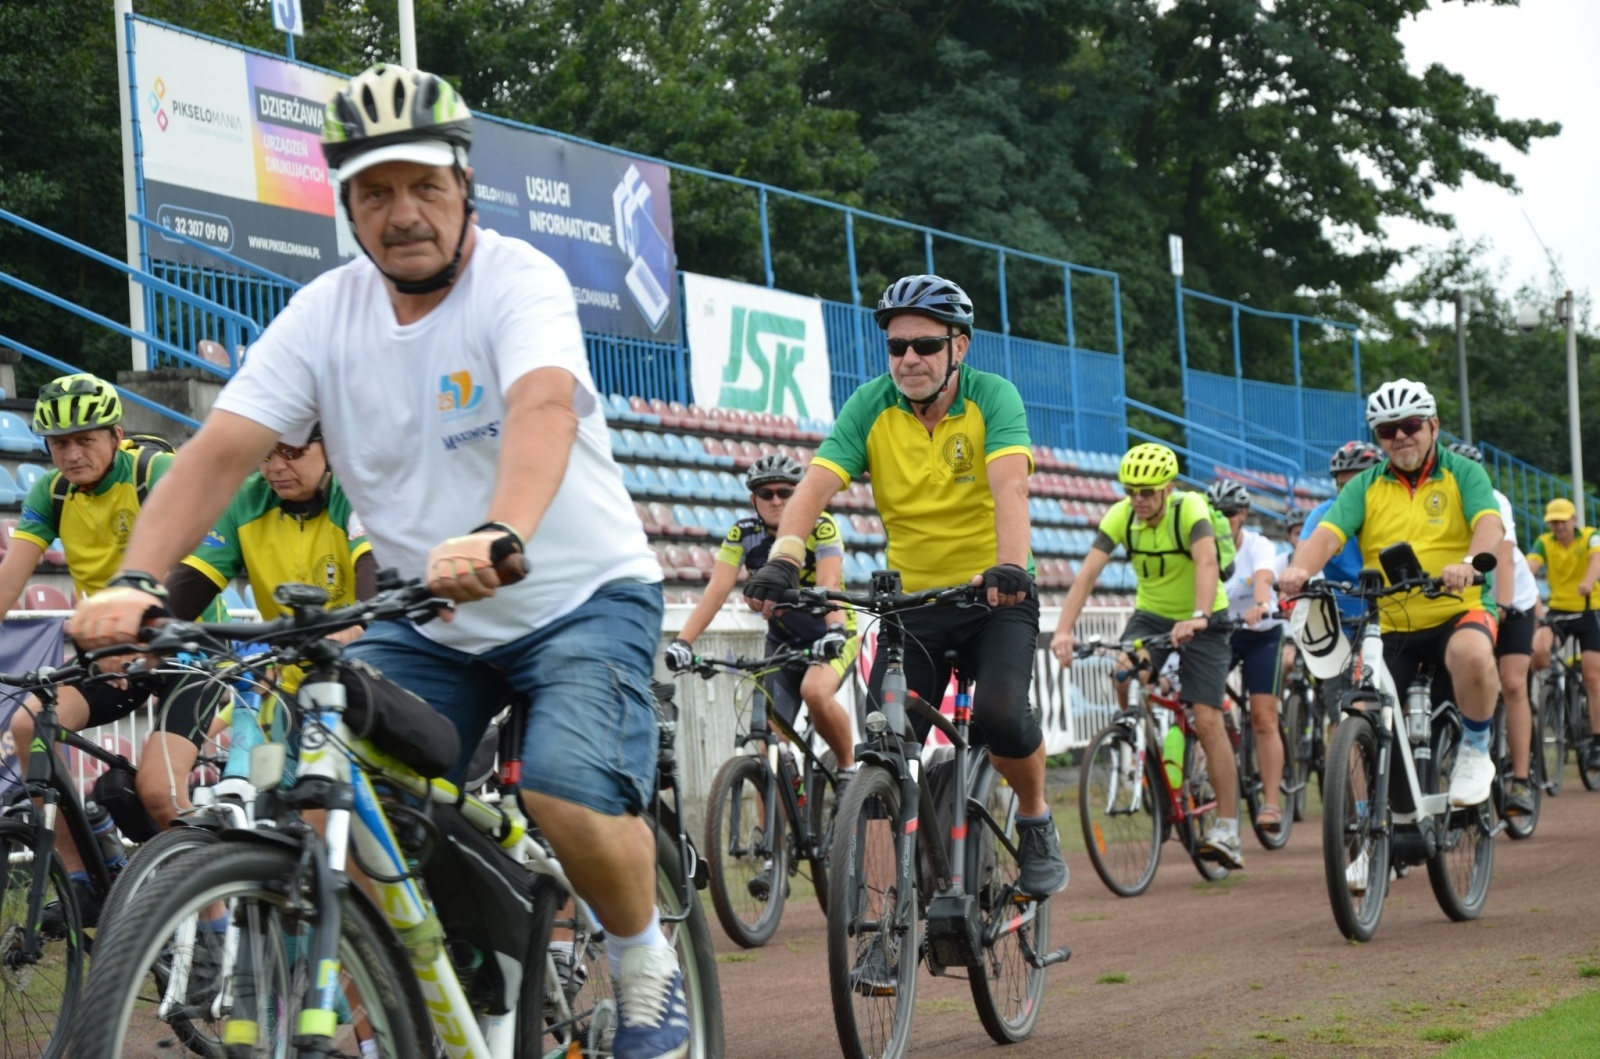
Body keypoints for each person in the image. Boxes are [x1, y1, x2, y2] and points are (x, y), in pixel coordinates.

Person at [66, 65, 687, 1059]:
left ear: (465, 186)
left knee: (565, 789)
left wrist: (501, 530)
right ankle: (472, 974)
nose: (403, 214)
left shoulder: (519, 281)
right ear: (348, 206)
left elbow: (541, 406)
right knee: (345, 794)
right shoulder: (323, 313)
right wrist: (137, 579)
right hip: (429, 616)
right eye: (375, 193)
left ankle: (644, 951)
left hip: (578, 597)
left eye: (424, 187)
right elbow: (218, 450)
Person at [742, 274, 1069, 911]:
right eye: (897, 348)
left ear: (960, 347)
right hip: (914, 609)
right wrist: (785, 558)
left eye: (924, 345)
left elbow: (1011, 489)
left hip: (994, 598)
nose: (909, 360)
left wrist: (1010, 567)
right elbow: (814, 485)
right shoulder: (871, 405)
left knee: (1003, 715)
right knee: (885, 755)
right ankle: (888, 920)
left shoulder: (992, 399)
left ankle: (1034, 817)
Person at [0, 374, 232, 922]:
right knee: (29, 726)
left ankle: (216, 930)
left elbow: (188, 566)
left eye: (86, 440)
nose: (73, 454)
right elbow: (10, 580)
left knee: (158, 791)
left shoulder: (154, 470)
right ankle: (83, 875)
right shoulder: (51, 492)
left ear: (116, 435)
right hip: (112, 650)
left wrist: (141, 640)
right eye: (60, 444)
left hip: (187, 644)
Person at [1280, 379, 1503, 814]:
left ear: (1434, 426)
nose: (1400, 436)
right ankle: (1366, 828)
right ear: (1378, 438)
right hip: (1392, 621)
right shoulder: (1364, 485)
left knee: (1473, 654)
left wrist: (1472, 563)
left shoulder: (1464, 472)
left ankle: (1476, 749)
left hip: (1457, 609)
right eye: (1387, 430)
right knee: (1358, 711)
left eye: (1411, 425)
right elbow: (1328, 533)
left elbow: (1489, 524)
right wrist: (1299, 570)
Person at [1051, 443, 1244, 868]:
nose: (1138, 499)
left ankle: (1228, 829)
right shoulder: (1122, 515)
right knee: (1122, 672)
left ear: (1169, 487)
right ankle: (1135, 744)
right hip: (1153, 615)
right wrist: (1064, 630)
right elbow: (1087, 574)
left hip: (1204, 616)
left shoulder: (1190, 508)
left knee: (1206, 716)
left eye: (1148, 491)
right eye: (1131, 490)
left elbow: (1208, 562)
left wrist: (1197, 616)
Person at [664, 453, 859, 773]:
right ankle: (773, 822)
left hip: (831, 632)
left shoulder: (822, 524)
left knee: (815, 691)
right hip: (782, 641)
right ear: (754, 499)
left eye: (786, 492)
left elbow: (829, 582)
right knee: (768, 744)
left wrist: (836, 630)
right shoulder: (742, 534)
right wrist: (683, 642)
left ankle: (848, 770)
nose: (776, 500)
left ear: (799, 494)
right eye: (766, 494)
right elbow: (716, 592)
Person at [166, 423, 377, 663]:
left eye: (292, 451)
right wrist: (142, 640)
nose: (276, 466)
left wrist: (358, 624)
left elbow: (373, 563)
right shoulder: (243, 501)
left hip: (365, 662)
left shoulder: (355, 492)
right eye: (264, 453)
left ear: (328, 447)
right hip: (287, 671)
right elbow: (192, 580)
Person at [1445, 442, 1539, 816]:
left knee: (1513, 683)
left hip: (1511, 598)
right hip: (1463, 604)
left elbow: (1500, 556)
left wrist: (1502, 604)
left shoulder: (1494, 499)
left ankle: (1520, 780)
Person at [1208, 479, 1287, 832]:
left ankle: (1271, 802)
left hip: (1260, 633)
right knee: (1203, 708)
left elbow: (1263, 577)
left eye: (1228, 513)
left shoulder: (1258, 545)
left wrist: (1259, 603)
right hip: (1222, 635)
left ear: (1242, 514)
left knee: (1263, 718)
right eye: (1215, 514)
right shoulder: (1203, 547)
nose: (1222, 520)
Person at [1525, 496, 1600, 778]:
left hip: (1590, 609)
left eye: (1562, 520)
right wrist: (1527, 586)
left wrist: (1588, 581)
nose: (1558, 526)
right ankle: (1543, 699)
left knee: (1593, 677)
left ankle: (1596, 742)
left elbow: (1597, 560)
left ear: (1574, 519)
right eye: (1553, 521)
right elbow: (1529, 567)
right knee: (1539, 650)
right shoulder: (1544, 542)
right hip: (1558, 610)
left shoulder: (1591, 536)